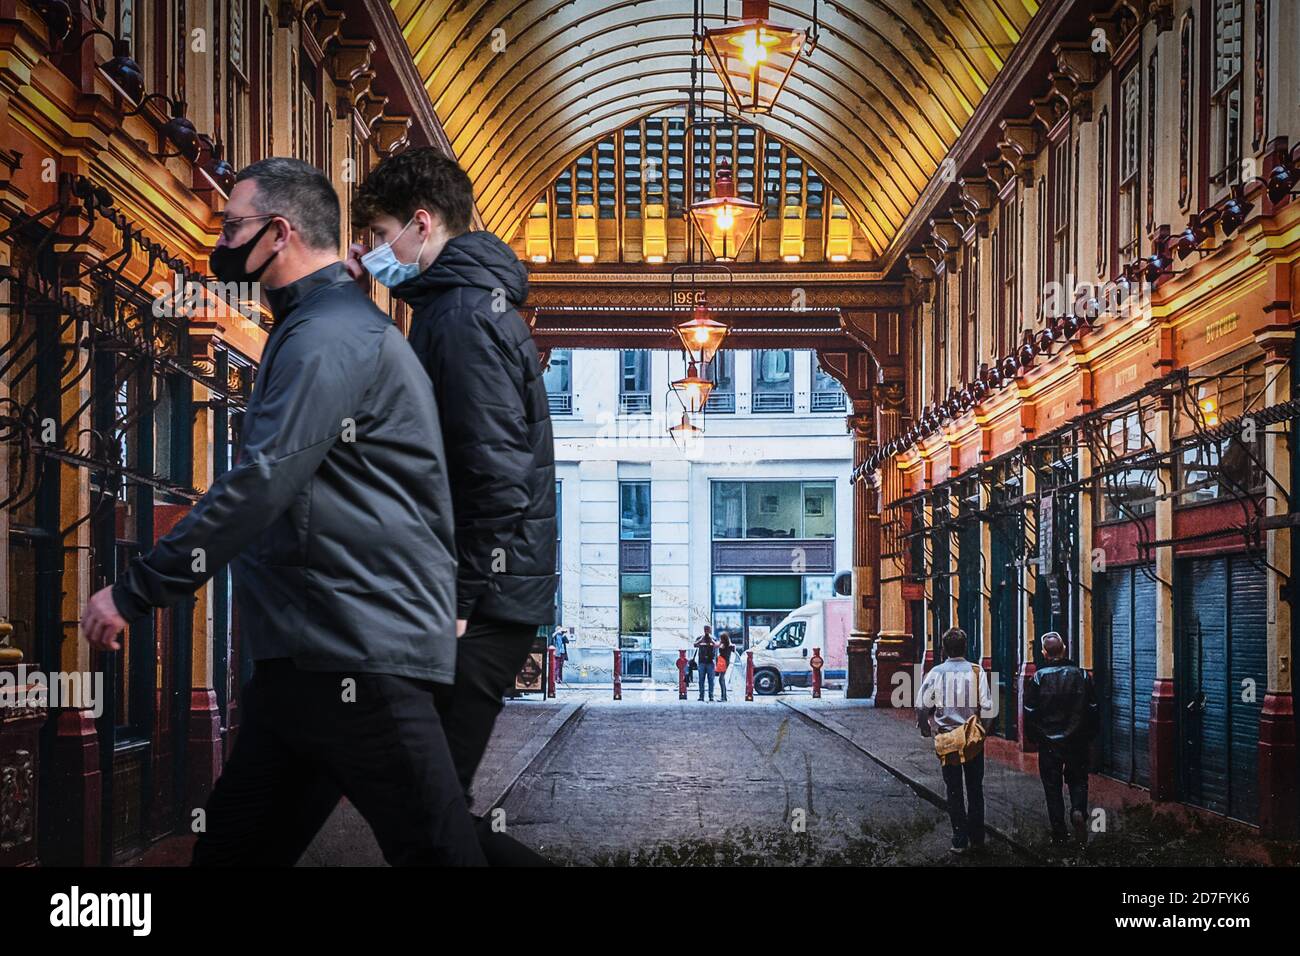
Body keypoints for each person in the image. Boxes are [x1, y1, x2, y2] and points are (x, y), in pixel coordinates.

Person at [80, 157, 483, 866]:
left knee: (442, 854)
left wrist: (137, 589)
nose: (223, 239)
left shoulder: (327, 338)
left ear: (278, 232)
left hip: (358, 654)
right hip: (311, 662)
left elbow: (261, 483)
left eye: (233, 225)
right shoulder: (323, 329)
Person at [916, 627, 993, 855]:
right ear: (966, 647)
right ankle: (977, 839)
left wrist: (925, 727)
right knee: (975, 788)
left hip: (947, 737)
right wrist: (983, 733)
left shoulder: (936, 673)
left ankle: (959, 840)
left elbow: (922, 705)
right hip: (971, 739)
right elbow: (988, 707)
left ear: (943, 649)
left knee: (954, 790)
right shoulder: (977, 672)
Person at [1023, 631, 1100, 846]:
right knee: (1078, 780)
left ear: (1044, 653)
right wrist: (1090, 736)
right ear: (1064, 649)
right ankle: (1078, 811)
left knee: (1052, 786)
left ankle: (1059, 833)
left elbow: (1030, 711)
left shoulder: (1038, 677)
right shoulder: (1082, 676)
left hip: (1049, 743)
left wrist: (1036, 738)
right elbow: (1093, 708)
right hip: (1077, 741)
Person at [694, 625, 718, 702]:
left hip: (710, 662)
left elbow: (716, 646)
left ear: (710, 630)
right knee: (701, 680)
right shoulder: (700, 638)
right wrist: (701, 639)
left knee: (711, 680)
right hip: (701, 661)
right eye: (705, 629)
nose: (706, 630)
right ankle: (701, 696)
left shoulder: (713, 638)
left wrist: (711, 640)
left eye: (708, 629)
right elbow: (695, 645)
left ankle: (711, 696)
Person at [716, 631, 735, 702]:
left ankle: (724, 696)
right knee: (721, 679)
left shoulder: (725, 645)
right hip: (724, 662)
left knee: (721, 679)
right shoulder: (728, 645)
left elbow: (718, 646)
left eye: (721, 638)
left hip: (723, 662)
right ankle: (723, 696)